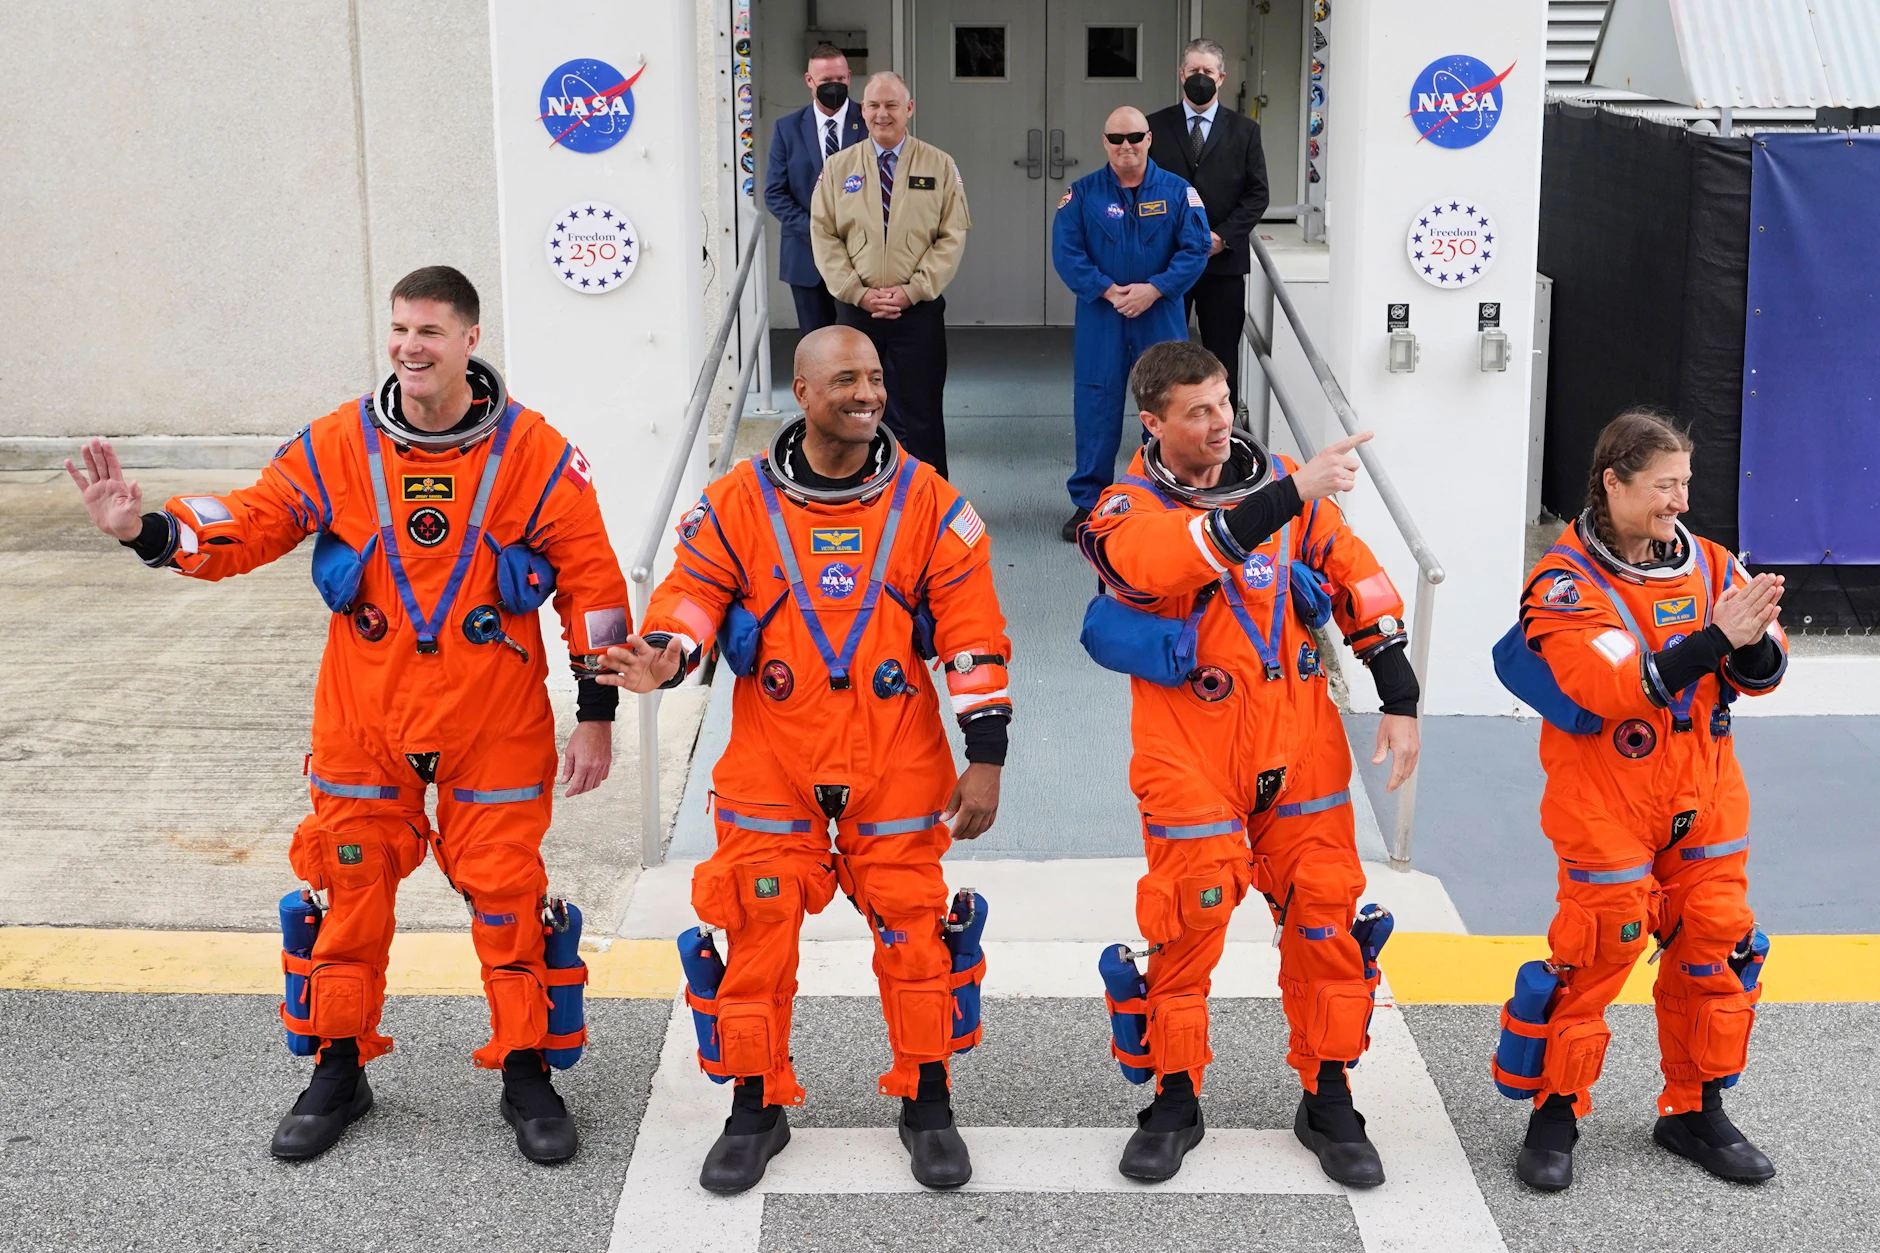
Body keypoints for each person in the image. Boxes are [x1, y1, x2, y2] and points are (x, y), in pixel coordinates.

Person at [61, 267, 633, 1165]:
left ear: (470, 340)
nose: (410, 347)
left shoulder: (535, 453)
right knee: (350, 885)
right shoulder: (340, 443)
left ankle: (528, 1071)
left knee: (508, 894)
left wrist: (594, 712)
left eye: (430, 332)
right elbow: (252, 518)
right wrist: (152, 531)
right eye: (400, 329)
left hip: (495, 718)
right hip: (365, 717)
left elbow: (595, 586)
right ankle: (338, 1065)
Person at [600, 325, 1013, 1194]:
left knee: (915, 931)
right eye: (847, 380)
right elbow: (691, 595)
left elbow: (973, 633)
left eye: (874, 377)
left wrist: (988, 755)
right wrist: (665, 654)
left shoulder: (931, 502)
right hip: (775, 759)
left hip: (897, 753)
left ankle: (926, 1099)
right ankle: (757, 1106)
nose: (868, 393)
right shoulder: (738, 502)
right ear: (800, 387)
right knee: (755, 927)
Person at [1077, 340, 1421, 1187]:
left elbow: (1359, 579)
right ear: (1153, 422)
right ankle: (1175, 1095)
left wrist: (1400, 692)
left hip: (1299, 740)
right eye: (1198, 410)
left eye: (1225, 400)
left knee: (1328, 917)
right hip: (1190, 748)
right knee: (1188, 919)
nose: (1222, 419)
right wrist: (1290, 494)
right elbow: (1176, 557)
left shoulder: (1288, 491)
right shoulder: (1124, 508)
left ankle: (1329, 1093)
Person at [1497, 409, 1787, 1192]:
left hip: (1708, 797)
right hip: (1606, 804)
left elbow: (1763, 673)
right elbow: (1619, 686)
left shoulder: (1715, 566)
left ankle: (1694, 1108)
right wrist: (1720, 637)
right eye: (1665, 485)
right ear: (1613, 482)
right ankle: (1555, 1115)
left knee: (1718, 948)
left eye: (1686, 483)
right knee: (1597, 952)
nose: (1680, 502)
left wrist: (1751, 637)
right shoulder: (1563, 585)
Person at [1052, 107, 1212, 542]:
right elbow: (1067, 253)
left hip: (1158, 314)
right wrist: (1107, 290)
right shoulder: (1082, 195)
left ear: (1149, 139)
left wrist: (1155, 289)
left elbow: (1195, 250)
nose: (1127, 146)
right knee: (1095, 405)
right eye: (1117, 138)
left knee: (1166, 407)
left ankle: (1165, 495)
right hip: (1102, 315)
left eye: (1135, 137)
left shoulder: (1180, 192)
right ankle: (1090, 503)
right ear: (1104, 142)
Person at [810, 72, 970, 479]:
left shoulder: (939, 165)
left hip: (917, 312)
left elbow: (951, 237)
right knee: (854, 410)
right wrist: (856, 292)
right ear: (863, 111)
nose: (882, 114)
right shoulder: (837, 167)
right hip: (857, 312)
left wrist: (914, 290)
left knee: (923, 412)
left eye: (892, 105)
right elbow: (824, 235)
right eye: (874, 106)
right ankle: (859, 494)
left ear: (909, 109)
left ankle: (933, 504)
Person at [1148, 39, 1270, 411]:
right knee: (1164, 357)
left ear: (1222, 78)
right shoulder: (1154, 126)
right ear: (1181, 74)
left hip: (1223, 264)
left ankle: (1223, 439)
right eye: (1193, 71)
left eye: (1208, 72)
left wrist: (1221, 237)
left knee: (1221, 357)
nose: (1200, 78)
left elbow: (1256, 195)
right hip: (1167, 264)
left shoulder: (1245, 131)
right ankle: (1160, 439)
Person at [765, 43, 869, 335]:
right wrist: (817, 230)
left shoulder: (870, 122)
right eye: (825, 81)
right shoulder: (787, 128)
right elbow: (775, 193)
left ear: (849, 77)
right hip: (805, 258)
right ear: (809, 81)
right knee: (817, 347)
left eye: (839, 78)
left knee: (859, 344)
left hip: (863, 258)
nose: (833, 86)